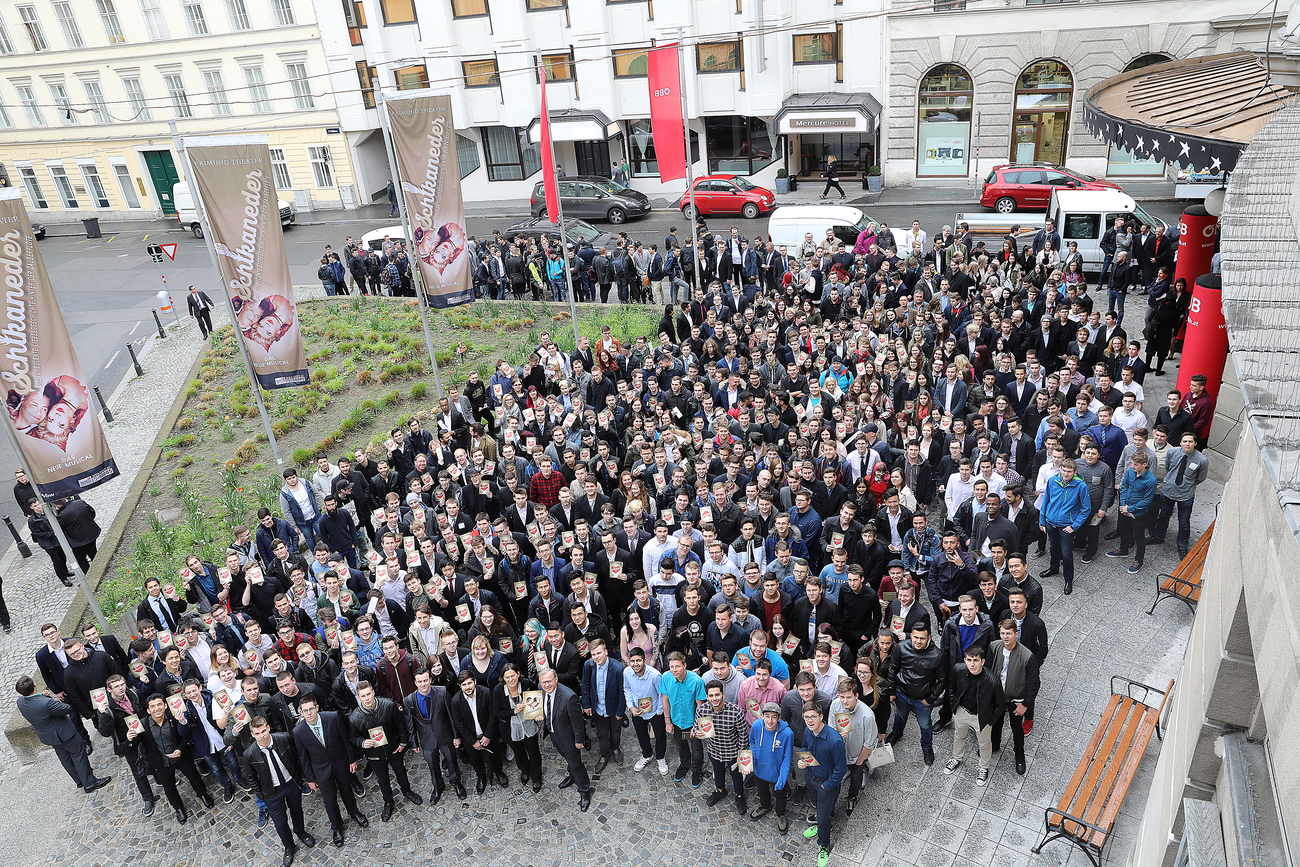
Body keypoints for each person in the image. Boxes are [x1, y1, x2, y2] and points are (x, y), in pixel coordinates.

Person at [292, 693, 367, 849]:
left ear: (317, 708)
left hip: (340, 763)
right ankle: (337, 828)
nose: (309, 713)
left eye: (311, 709)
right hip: (320, 769)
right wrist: (310, 779)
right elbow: (303, 757)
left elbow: (345, 740)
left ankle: (354, 812)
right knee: (329, 800)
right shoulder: (298, 731)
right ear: (301, 712)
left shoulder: (332, 717)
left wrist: (352, 759)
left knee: (347, 790)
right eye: (305, 711)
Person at [241, 716, 316, 866]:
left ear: (268, 728)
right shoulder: (249, 754)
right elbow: (250, 777)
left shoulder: (284, 738)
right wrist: (261, 794)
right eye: (257, 733)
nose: (262, 735)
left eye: (263, 731)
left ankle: (300, 831)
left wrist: (301, 778)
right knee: (280, 823)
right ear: (252, 735)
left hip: (291, 784)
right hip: (271, 792)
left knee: (297, 810)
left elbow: (297, 757)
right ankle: (289, 846)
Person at [14, 674, 109, 792]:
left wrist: (42, 697)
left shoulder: (21, 702)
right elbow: (66, 708)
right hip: (64, 733)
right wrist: (48, 698)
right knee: (78, 754)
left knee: (65, 758)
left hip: (49, 736)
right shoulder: (45, 703)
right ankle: (90, 783)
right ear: (34, 684)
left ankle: (79, 780)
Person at [348, 680, 423, 820]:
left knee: (401, 772)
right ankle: (388, 801)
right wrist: (363, 742)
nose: (367, 698)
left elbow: (400, 724)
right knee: (383, 780)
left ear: (373, 692)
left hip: (394, 749)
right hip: (375, 756)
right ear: (358, 698)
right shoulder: (354, 718)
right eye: (363, 696)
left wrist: (403, 742)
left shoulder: (388, 705)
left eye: (368, 694)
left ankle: (407, 791)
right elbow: (353, 738)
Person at [943, 645, 1004, 787]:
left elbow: (1000, 704)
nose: (972, 664)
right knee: (959, 736)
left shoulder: (992, 680)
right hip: (962, 711)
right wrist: (954, 707)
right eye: (969, 660)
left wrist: (990, 721)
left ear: (982, 661)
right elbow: (951, 688)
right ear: (965, 660)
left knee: (984, 744)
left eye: (975, 660)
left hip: (981, 717)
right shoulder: (958, 669)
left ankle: (984, 767)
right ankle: (956, 758)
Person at [884, 622, 944, 766]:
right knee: (899, 716)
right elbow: (893, 668)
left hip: (922, 699)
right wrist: (892, 691)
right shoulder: (901, 647)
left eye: (922, 638)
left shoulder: (937, 655)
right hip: (902, 693)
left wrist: (930, 699)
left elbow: (942, 680)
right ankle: (897, 733)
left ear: (929, 637)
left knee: (925, 725)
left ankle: (927, 748)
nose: (918, 641)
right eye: (915, 637)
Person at [404, 667, 466, 802]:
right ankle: (438, 786)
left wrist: (456, 735)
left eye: (426, 680)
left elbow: (451, 716)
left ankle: (456, 783)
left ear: (430, 680)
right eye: (419, 682)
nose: (423, 684)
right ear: (415, 683)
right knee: (432, 766)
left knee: (451, 761)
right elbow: (410, 723)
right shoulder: (409, 700)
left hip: (445, 735)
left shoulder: (442, 692)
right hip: (426, 739)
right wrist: (413, 742)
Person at [988, 619, 1040, 776]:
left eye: (1008, 633)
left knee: (1016, 728)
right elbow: (988, 670)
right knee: (995, 723)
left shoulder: (1027, 656)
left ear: (1016, 635)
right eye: (1002, 633)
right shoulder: (994, 646)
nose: (1005, 636)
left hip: (1016, 698)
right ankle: (995, 745)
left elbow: (1034, 683)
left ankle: (1019, 755)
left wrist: (1025, 704)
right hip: (997, 695)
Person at [798, 699, 847, 867]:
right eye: (806, 717)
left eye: (813, 717)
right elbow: (804, 747)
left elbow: (841, 769)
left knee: (823, 818)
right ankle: (822, 823)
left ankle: (823, 845)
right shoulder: (808, 730)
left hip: (827, 785)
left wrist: (827, 785)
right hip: (811, 778)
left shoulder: (835, 741)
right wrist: (804, 760)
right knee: (818, 806)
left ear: (821, 716)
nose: (809, 721)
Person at [538, 664, 592, 812]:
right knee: (568, 761)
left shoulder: (569, 697)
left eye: (550, 681)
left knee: (576, 764)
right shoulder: (541, 689)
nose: (547, 685)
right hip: (555, 735)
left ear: (556, 680)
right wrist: (541, 714)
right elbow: (546, 707)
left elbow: (577, 722)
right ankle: (572, 775)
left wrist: (579, 740)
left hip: (569, 738)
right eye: (544, 682)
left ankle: (585, 791)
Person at [1148, 432, 1209, 560]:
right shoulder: (1172, 452)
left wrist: (1188, 485)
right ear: (1180, 443)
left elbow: (1201, 478)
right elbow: (1168, 467)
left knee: (1184, 522)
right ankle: (1159, 536)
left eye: (1190, 441)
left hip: (1185, 495)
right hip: (1168, 490)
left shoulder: (1202, 460)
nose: (1187, 444)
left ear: (1195, 443)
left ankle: (1182, 545)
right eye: (1185, 441)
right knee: (1163, 515)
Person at [448, 669, 506, 794]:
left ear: (474, 681)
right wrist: (473, 741)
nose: (467, 687)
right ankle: (481, 777)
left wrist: (488, 736)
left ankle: (499, 772)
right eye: (464, 685)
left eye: (469, 683)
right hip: (470, 738)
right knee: (475, 759)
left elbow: (492, 715)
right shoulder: (455, 701)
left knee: (495, 754)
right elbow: (459, 724)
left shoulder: (485, 693)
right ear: (460, 686)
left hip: (489, 734)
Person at [1037, 458, 1090, 595]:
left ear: (1075, 472)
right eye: (1064, 471)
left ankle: (1068, 579)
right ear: (1060, 470)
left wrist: (1074, 526)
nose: (1065, 474)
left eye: (1069, 472)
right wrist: (1042, 520)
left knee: (1066, 553)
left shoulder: (1081, 486)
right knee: (1053, 548)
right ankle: (1053, 568)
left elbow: (1086, 509)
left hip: (1066, 526)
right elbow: (1046, 501)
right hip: (1051, 522)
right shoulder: (1053, 481)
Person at [659, 650, 707, 788]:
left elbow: (699, 705)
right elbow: (665, 700)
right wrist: (667, 722)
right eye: (672, 666)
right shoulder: (666, 678)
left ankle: (697, 769)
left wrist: (696, 725)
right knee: (681, 745)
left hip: (691, 722)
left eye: (678, 666)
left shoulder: (697, 681)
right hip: (676, 721)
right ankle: (685, 764)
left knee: (696, 748)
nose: (674, 670)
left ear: (684, 665)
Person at [493, 664, 544, 792]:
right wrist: (513, 711)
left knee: (533, 752)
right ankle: (525, 770)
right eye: (507, 677)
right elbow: (497, 713)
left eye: (513, 675)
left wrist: (538, 714)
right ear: (503, 678)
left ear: (518, 674)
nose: (511, 679)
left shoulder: (526, 684)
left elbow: (535, 702)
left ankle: (536, 777)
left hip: (528, 725)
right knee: (519, 752)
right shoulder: (498, 690)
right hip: (511, 728)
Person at [701, 679, 749, 814]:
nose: (714, 698)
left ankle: (739, 796)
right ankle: (720, 791)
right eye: (711, 695)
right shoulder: (702, 710)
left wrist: (742, 755)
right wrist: (697, 732)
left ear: (723, 694)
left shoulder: (735, 711)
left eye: (717, 695)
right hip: (714, 750)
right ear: (707, 697)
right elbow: (699, 728)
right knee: (718, 772)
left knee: (737, 776)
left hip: (733, 752)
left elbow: (743, 735)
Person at [829, 677, 874, 817]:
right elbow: (830, 728)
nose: (845, 701)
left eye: (848, 697)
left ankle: (852, 798)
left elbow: (869, 742)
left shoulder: (867, 715)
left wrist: (859, 761)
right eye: (842, 697)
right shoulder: (835, 705)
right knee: (836, 779)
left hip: (856, 755)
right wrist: (837, 736)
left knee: (856, 778)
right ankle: (831, 803)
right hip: (839, 754)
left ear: (856, 696)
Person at [580, 638, 625, 777]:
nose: (596, 657)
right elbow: (585, 685)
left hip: (613, 709)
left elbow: (623, 692)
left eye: (599, 653)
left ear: (606, 652)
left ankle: (615, 748)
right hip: (598, 709)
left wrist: (620, 711)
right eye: (593, 654)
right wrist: (586, 704)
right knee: (601, 734)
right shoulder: (589, 665)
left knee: (615, 731)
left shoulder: (618, 669)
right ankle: (605, 754)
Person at [1107, 450, 1158, 573]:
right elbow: (1124, 486)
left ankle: (1138, 560)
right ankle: (1123, 549)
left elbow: (1146, 501)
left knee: (1139, 537)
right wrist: (1123, 504)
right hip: (1125, 507)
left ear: (1145, 464)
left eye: (1136, 464)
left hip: (1138, 514)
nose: (1133, 466)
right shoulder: (1131, 471)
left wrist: (1129, 509)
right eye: (1132, 464)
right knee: (1123, 530)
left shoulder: (1151, 481)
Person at [748, 701, 794, 832]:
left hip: (777, 773)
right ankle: (765, 806)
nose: (770, 720)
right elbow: (752, 742)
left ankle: (780, 814)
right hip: (759, 770)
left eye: (774, 716)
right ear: (762, 716)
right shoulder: (757, 726)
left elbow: (787, 757)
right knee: (762, 792)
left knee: (780, 796)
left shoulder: (787, 733)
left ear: (779, 718)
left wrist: (783, 777)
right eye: (767, 716)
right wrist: (753, 758)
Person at [622, 646, 667, 773]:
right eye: (632, 661)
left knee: (660, 736)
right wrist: (631, 707)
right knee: (641, 735)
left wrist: (659, 712)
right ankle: (647, 755)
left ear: (644, 660)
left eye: (638, 660)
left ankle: (660, 757)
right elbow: (627, 689)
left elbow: (661, 694)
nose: (635, 664)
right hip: (637, 710)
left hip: (655, 711)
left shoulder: (655, 675)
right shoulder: (626, 672)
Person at [54, 497, 100, 572]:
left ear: (58, 506)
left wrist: (58, 512)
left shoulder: (63, 514)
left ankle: (89, 575)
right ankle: (100, 569)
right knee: (94, 553)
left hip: (78, 541)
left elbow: (59, 528)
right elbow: (92, 513)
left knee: (81, 559)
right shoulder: (80, 503)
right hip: (90, 534)